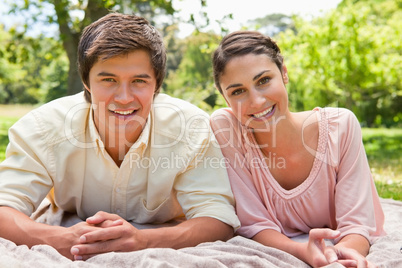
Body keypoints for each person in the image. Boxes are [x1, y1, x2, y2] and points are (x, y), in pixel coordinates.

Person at [0, 13, 240, 261]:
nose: (124, 97)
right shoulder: (43, 128)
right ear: (86, 82)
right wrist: (63, 239)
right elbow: (4, 207)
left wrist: (142, 240)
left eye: (138, 81)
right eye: (108, 80)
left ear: (156, 85)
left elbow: (218, 219)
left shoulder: (191, 129)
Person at [210, 31, 385, 268]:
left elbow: (357, 224)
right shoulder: (227, 128)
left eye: (263, 80)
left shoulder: (340, 126)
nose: (257, 101)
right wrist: (303, 251)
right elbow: (255, 223)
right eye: (237, 91)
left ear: (284, 74)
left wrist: (339, 257)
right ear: (225, 99)